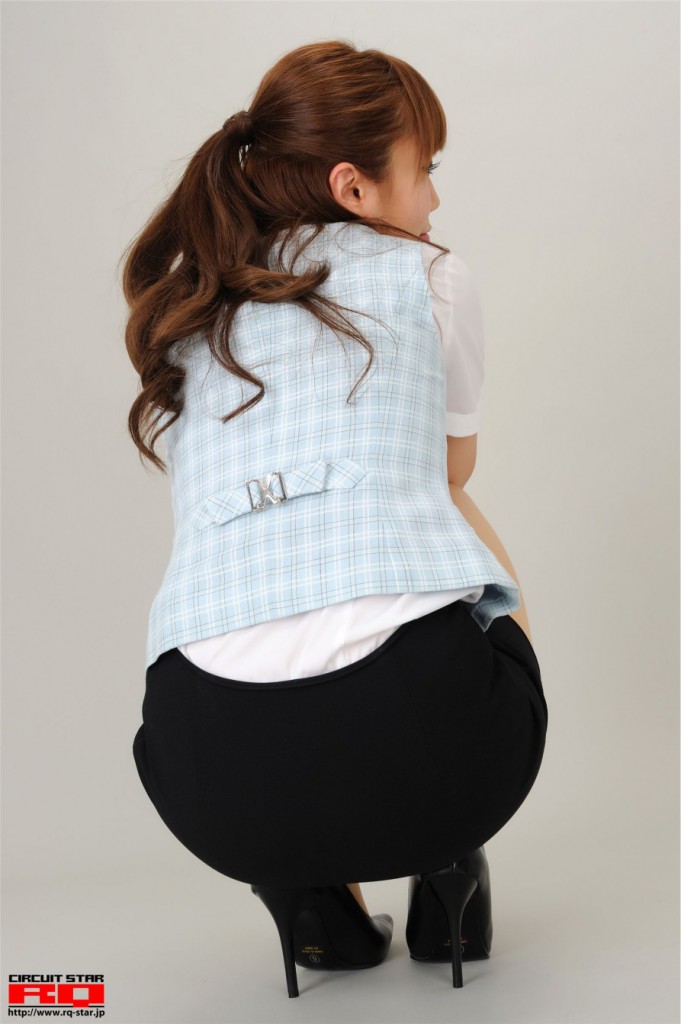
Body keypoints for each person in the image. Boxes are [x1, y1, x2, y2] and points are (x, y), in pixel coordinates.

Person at [123, 40, 549, 1000]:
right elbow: (449, 473)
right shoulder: (428, 273)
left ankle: (310, 901)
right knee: (452, 515)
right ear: (353, 187)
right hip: (435, 751)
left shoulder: (188, 305)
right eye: (423, 169)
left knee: (235, 567)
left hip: (207, 777)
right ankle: (448, 865)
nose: (432, 197)